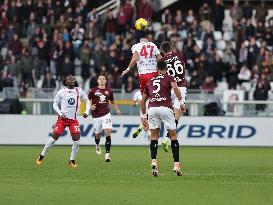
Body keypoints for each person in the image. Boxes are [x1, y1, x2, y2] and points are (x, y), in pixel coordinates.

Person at [140, 60, 185, 177]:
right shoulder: (169, 77)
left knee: (154, 137)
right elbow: (175, 89)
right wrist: (181, 102)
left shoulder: (149, 80)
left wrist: (144, 116)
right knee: (173, 136)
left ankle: (154, 161)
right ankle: (176, 165)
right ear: (166, 69)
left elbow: (143, 100)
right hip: (165, 107)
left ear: (156, 69)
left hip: (152, 109)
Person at [36, 75, 90, 168]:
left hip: (73, 120)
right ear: (66, 81)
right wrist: (60, 113)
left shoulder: (79, 90)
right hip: (62, 119)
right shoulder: (61, 92)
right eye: (70, 79)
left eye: (73, 78)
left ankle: (72, 160)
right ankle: (41, 155)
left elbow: (87, 101)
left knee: (77, 141)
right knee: (54, 138)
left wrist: (86, 111)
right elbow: (55, 104)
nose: (72, 80)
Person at [121, 37, 162, 138]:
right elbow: (160, 59)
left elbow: (135, 59)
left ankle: (143, 118)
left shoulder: (136, 46)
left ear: (140, 42)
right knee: (155, 98)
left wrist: (127, 69)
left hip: (143, 74)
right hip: (154, 73)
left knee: (144, 98)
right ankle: (154, 120)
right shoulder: (153, 45)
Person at [160, 41, 187, 152]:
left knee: (165, 113)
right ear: (171, 48)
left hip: (170, 88)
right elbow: (183, 67)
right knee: (176, 117)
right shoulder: (179, 55)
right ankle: (167, 138)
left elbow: (161, 74)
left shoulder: (162, 61)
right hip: (180, 87)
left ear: (162, 51)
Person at [88, 74, 121, 162]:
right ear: (98, 81)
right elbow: (86, 100)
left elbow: (113, 101)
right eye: (100, 79)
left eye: (103, 79)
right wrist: (90, 106)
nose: (102, 80)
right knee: (97, 134)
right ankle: (97, 145)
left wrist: (117, 109)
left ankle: (107, 154)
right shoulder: (93, 90)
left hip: (106, 114)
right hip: (96, 116)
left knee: (108, 132)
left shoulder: (109, 90)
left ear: (106, 81)